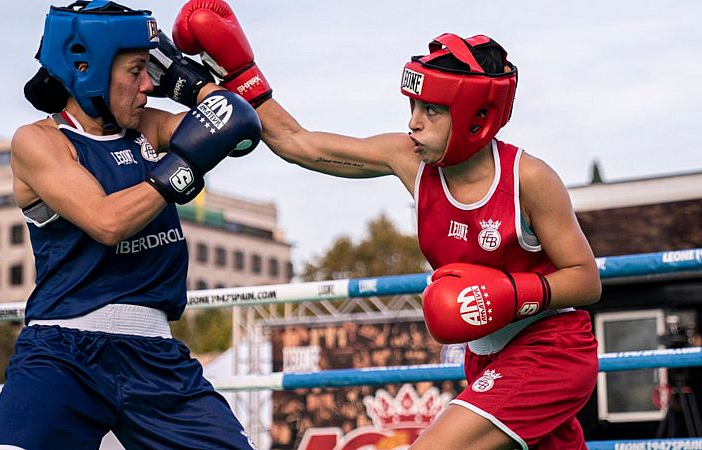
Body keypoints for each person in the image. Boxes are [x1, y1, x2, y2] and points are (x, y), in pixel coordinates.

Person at [171, 2, 602, 448]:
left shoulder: (527, 179)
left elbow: (586, 280)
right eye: (414, 105)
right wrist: (241, 72)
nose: (413, 122)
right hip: (486, 356)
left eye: (431, 111)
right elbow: (299, 143)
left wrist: (512, 293)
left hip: (550, 349)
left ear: (478, 115)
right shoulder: (409, 160)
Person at [0, 1, 261, 449]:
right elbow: (107, 221)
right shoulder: (40, 142)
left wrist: (191, 85)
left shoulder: (147, 128)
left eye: (151, 70)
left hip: (156, 359)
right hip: (63, 353)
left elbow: (237, 124)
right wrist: (182, 167)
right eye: (136, 71)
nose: (149, 85)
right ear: (86, 68)